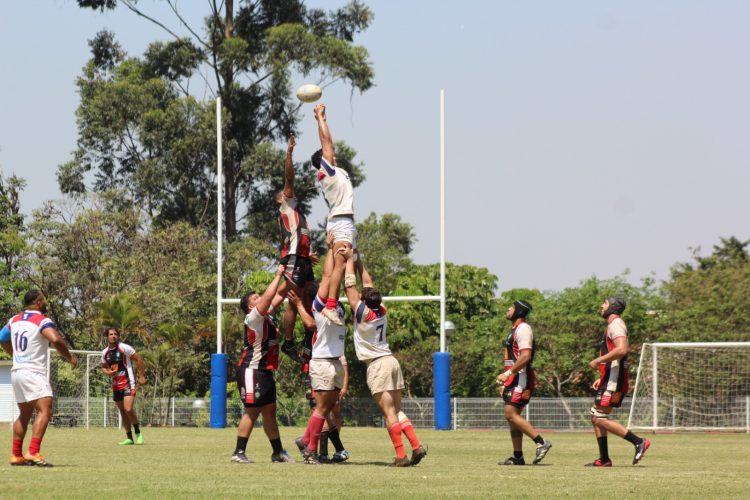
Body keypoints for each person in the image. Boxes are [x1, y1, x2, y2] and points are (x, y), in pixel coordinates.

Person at [342, 247, 427, 467]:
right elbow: (367, 285)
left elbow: (350, 285)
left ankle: (400, 456)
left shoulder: (363, 313)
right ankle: (416, 446)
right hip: (391, 360)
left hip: (377, 365)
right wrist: (360, 262)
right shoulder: (381, 310)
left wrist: (349, 260)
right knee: (397, 411)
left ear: (364, 301)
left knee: (389, 413)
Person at [0, 290, 77, 467]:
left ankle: (16, 455)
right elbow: (55, 340)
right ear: (39, 302)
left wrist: (15, 355)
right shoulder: (42, 320)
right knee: (46, 410)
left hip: (17, 372)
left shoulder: (14, 319)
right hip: (33, 372)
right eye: (44, 300)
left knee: (25, 414)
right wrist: (70, 357)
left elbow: (2, 337)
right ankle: (33, 452)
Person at [292, 236, 348, 464]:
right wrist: (333, 253)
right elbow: (328, 276)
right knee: (322, 409)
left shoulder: (337, 307)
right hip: (323, 361)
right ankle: (310, 449)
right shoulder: (320, 307)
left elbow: (333, 279)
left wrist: (339, 257)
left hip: (334, 361)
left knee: (327, 409)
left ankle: (306, 441)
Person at [231, 265, 294, 464]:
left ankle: (277, 452)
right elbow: (269, 296)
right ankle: (238, 452)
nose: (261, 298)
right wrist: (276, 274)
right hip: (252, 370)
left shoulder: (267, 315)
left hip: (265, 371)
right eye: (255, 298)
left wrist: (295, 269)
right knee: (252, 411)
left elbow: (281, 291)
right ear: (251, 306)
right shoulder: (253, 317)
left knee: (269, 411)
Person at [586, 297, 650, 467]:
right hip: (610, 377)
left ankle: (638, 442)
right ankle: (604, 459)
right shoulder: (612, 325)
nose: (601, 305)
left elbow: (622, 350)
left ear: (612, 307)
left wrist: (598, 360)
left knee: (599, 417)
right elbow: (616, 356)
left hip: (614, 380)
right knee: (595, 416)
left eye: (605, 303)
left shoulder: (616, 324)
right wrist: (603, 375)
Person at [270, 133, 315, 360]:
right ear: (282, 198)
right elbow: (289, 179)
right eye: (288, 193)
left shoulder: (295, 214)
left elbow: (294, 237)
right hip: (295, 258)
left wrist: (308, 253)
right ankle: (288, 343)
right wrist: (289, 153)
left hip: (302, 258)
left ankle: (309, 338)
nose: (292, 193)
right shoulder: (286, 204)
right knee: (293, 301)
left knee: (310, 297)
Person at [311, 103, 356, 326]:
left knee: (349, 262)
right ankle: (330, 305)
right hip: (341, 222)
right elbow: (326, 142)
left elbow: (329, 145)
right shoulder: (326, 173)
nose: (333, 153)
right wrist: (321, 118)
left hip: (343, 222)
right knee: (340, 264)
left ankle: (334, 304)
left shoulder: (336, 172)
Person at [495, 300, 552, 465]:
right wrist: (507, 380)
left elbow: (525, 356)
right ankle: (518, 457)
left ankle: (541, 442)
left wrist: (508, 374)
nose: (508, 309)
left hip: (521, 378)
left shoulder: (523, 329)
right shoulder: (515, 329)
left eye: (511, 307)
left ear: (519, 311)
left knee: (510, 414)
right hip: (514, 379)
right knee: (512, 418)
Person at [100, 327, 147, 445]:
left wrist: (141, 376)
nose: (113, 336)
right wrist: (108, 372)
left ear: (118, 336)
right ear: (107, 336)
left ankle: (138, 433)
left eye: (115, 334)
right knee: (122, 410)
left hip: (128, 382)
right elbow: (103, 367)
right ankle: (129, 438)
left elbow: (138, 359)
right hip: (116, 385)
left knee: (128, 409)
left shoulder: (124, 348)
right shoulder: (105, 352)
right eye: (111, 334)